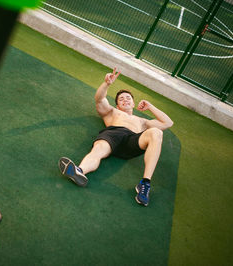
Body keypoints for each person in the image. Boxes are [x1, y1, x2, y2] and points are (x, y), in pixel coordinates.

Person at [58, 68, 173, 206]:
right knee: (99, 149)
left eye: (128, 98)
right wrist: (106, 84)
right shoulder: (112, 112)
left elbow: (167, 123)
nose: (125, 100)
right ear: (118, 105)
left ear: (133, 103)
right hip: (113, 134)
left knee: (157, 132)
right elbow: (99, 99)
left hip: (133, 141)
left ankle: (145, 184)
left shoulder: (143, 122)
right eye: (121, 99)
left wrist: (150, 106)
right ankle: (80, 171)